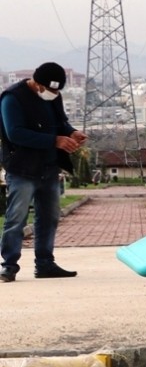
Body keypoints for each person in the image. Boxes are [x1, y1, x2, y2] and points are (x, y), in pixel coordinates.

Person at [0, 62, 87, 282]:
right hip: (22, 169)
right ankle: (9, 265)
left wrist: (72, 132)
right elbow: (15, 133)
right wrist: (55, 140)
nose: (54, 94)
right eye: (50, 90)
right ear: (37, 84)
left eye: (57, 91)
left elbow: (61, 123)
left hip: (48, 167)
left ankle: (45, 264)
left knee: (49, 217)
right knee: (16, 219)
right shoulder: (12, 98)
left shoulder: (54, 97)